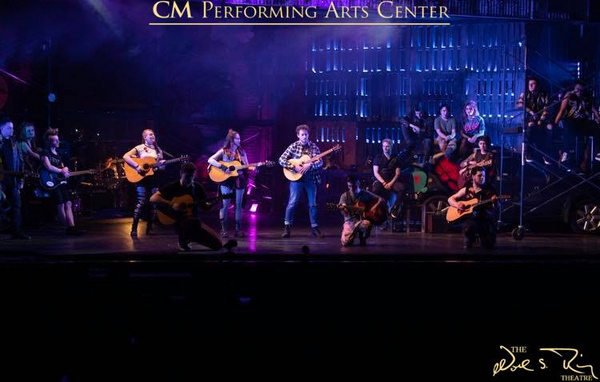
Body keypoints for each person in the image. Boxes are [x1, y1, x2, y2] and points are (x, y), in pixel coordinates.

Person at [150, 163, 222, 252]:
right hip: (178, 220)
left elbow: (205, 207)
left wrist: (214, 204)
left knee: (218, 245)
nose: (189, 179)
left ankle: (190, 237)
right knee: (189, 221)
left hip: (194, 222)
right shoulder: (173, 186)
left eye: (192, 177)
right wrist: (171, 204)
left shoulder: (197, 187)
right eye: (187, 176)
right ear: (181, 173)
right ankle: (184, 239)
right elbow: (153, 198)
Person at [278, 124, 325, 238]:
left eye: (306, 134)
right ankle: (287, 227)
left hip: (310, 178)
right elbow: (281, 159)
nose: (304, 137)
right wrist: (293, 166)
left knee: (312, 204)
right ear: (298, 135)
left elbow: (320, 162)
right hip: (296, 178)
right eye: (302, 135)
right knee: (292, 202)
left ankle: (314, 228)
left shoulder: (314, 147)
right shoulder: (293, 146)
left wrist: (311, 166)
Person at [40, 130, 85, 235]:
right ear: (49, 142)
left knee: (68, 202)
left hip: (60, 181)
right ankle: (66, 226)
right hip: (51, 181)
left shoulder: (59, 154)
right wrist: (61, 170)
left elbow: (62, 166)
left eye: (57, 140)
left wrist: (65, 170)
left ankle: (71, 227)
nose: (57, 142)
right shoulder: (45, 152)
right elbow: (48, 166)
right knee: (60, 204)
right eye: (54, 140)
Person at [123, 129, 165, 237]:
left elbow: (162, 168)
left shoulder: (158, 150)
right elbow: (125, 156)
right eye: (149, 134)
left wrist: (161, 165)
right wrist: (137, 166)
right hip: (141, 179)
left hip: (154, 179)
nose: (152, 136)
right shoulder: (140, 148)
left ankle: (150, 229)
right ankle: (134, 229)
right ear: (145, 137)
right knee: (141, 203)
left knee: (153, 204)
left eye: (153, 134)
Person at [208, 129, 248, 238]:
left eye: (240, 138)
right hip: (226, 180)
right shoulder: (224, 151)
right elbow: (210, 160)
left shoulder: (242, 152)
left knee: (239, 206)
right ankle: (224, 230)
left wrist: (253, 167)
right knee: (225, 205)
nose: (239, 140)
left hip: (239, 179)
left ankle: (238, 230)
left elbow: (247, 166)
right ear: (231, 139)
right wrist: (222, 166)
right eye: (237, 138)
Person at [554, 80, 600, 173]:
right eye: (578, 89)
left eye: (582, 89)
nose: (580, 91)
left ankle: (598, 152)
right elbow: (562, 110)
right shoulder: (569, 96)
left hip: (583, 122)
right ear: (574, 89)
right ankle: (566, 152)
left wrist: (598, 119)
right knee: (568, 126)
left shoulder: (587, 97)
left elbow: (594, 111)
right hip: (571, 120)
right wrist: (556, 123)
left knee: (596, 127)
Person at [448, 167, 498, 249]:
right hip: (471, 220)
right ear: (473, 176)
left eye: (484, 176)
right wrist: (457, 205)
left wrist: (495, 202)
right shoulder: (467, 189)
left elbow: (495, 208)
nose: (482, 177)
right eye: (480, 175)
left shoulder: (489, 190)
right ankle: (470, 238)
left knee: (488, 245)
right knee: (468, 227)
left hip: (484, 220)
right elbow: (450, 199)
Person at [0, 115, 30, 239]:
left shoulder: (15, 143)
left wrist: (21, 179)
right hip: (1, 179)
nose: (12, 130)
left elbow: (21, 161)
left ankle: (16, 231)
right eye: (8, 128)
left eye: (12, 128)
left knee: (17, 205)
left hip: (13, 179)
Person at [338, 175, 384, 246]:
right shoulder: (344, 196)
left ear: (358, 184)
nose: (351, 188)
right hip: (350, 221)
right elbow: (345, 214)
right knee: (346, 243)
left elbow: (381, 199)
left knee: (367, 224)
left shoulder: (365, 193)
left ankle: (362, 237)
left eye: (353, 186)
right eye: (349, 186)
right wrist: (344, 210)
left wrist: (373, 208)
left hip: (363, 220)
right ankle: (352, 234)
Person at [516, 76, 552, 163]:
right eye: (529, 84)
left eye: (533, 84)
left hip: (543, 119)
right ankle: (529, 153)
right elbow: (519, 104)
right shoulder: (525, 93)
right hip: (529, 119)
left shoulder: (545, 94)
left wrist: (541, 120)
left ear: (538, 85)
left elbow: (547, 108)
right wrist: (530, 111)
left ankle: (546, 154)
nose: (530, 86)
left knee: (550, 128)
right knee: (531, 127)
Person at [372, 138, 404, 225]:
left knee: (402, 189)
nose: (385, 148)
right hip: (381, 180)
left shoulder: (396, 158)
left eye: (387, 146)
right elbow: (376, 172)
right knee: (376, 190)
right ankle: (378, 213)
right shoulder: (378, 157)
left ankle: (395, 209)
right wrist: (384, 183)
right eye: (384, 146)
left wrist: (390, 183)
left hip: (392, 180)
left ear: (391, 147)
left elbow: (397, 173)